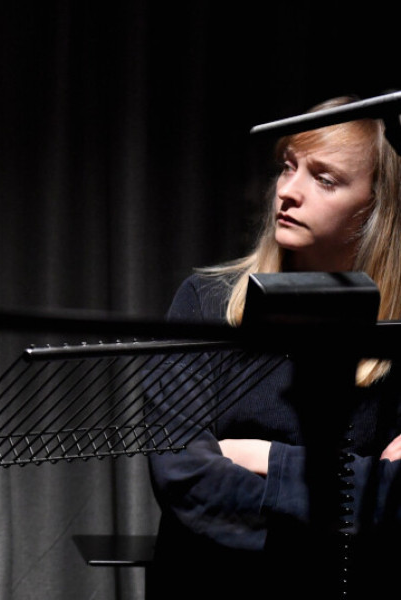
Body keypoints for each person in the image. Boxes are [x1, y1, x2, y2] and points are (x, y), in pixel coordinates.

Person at [146, 96, 401, 599]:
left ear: (375, 204)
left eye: (324, 179)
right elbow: (186, 480)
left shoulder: (394, 329)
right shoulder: (205, 302)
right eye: (287, 166)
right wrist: (358, 500)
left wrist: (262, 456)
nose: (287, 191)